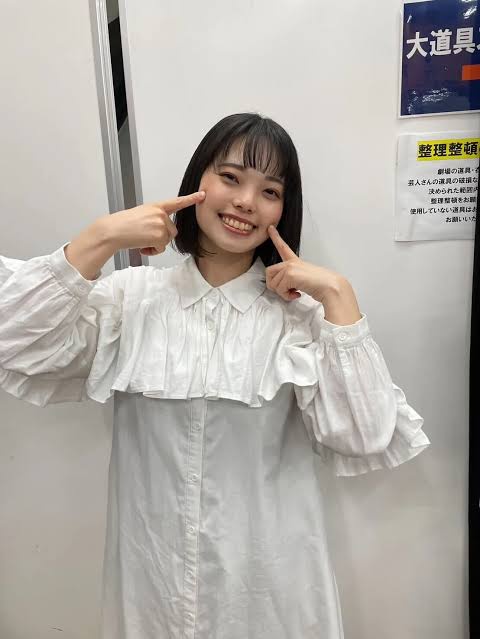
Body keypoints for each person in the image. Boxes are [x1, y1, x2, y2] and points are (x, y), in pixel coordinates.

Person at [0, 113, 430, 638]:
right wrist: (101, 237)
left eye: (269, 191)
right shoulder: (129, 301)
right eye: (230, 177)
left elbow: (364, 437)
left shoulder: (300, 320)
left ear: (283, 210)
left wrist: (339, 296)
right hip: (151, 582)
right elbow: (14, 341)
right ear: (197, 182)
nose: (246, 201)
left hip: (270, 591)